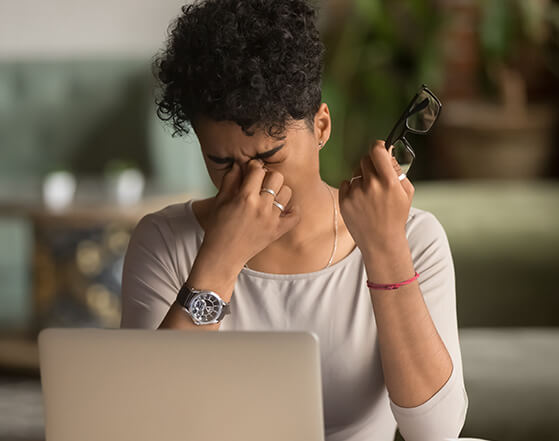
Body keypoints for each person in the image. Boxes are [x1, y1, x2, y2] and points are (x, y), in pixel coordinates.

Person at [120, 1, 468, 440]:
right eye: (222, 162)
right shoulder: (164, 242)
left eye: (270, 155)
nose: (251, 180)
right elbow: (144, 425)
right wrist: (221, 260)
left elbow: (436, 432)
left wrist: (385, 250)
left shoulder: (415, 238)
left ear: (321, 127)